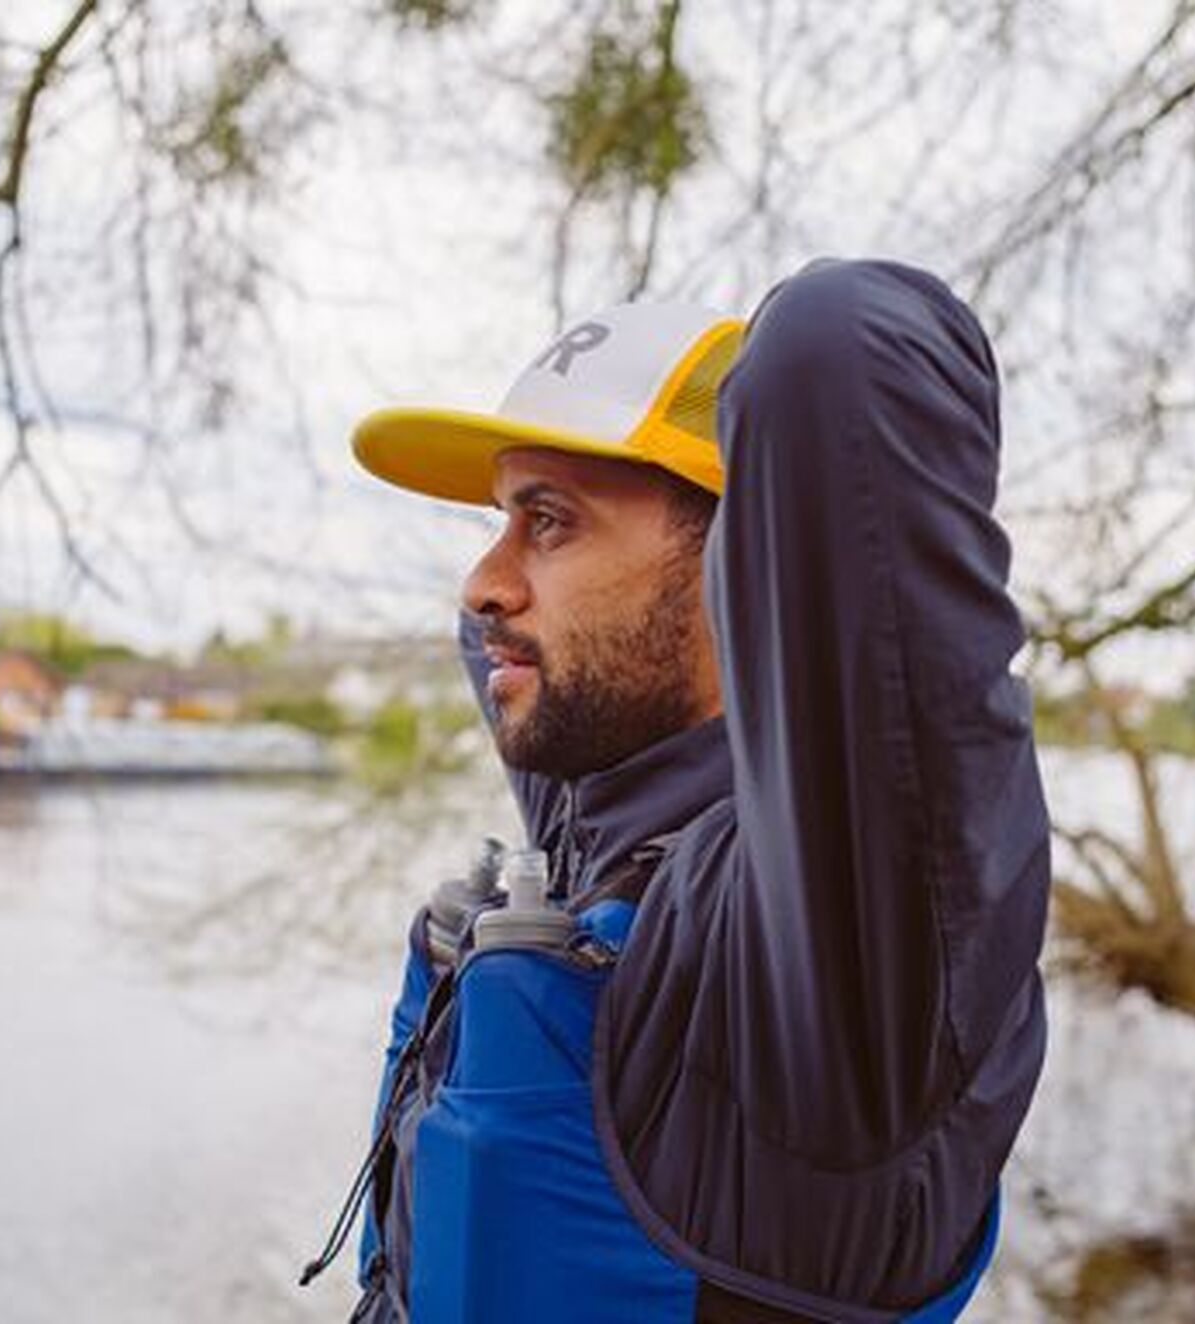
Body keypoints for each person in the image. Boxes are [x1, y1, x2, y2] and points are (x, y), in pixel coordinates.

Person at [310, 259, 1051, 1322]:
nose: (480, 582)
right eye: (499, 521)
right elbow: (565, 689)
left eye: (548, 521)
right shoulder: (597, 837)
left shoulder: (829, 981)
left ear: (736, 565)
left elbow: (840, 351)